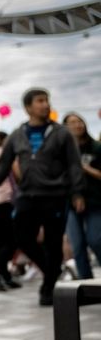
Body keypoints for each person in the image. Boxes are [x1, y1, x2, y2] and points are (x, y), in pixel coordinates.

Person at [0, 88, 85, 306]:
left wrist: (77, 192)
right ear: (28, 107)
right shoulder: (17, 134)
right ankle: (52, 271)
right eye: (40, 101)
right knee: (22, 237)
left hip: (55, 195)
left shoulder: (61, 133)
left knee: (53, 243)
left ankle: (47, 288)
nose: (45, 105)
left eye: (46, 100)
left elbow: (73, 164)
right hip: (27, 195)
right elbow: (3, 164)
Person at [63, 112, 101, 279]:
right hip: (70, 202)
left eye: (79, 121)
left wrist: (84, 168)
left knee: (96, 240)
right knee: (77, 246)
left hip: (95, 201)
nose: (77, 125)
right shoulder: (62, 150)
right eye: (72, 123)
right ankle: (86, 283)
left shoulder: (96, 148)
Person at [0, 132, 21, 290]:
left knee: (1, 241)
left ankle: (4, 276)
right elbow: (16, 171)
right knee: (11, 240)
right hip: (4, 199)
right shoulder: (0, 152)